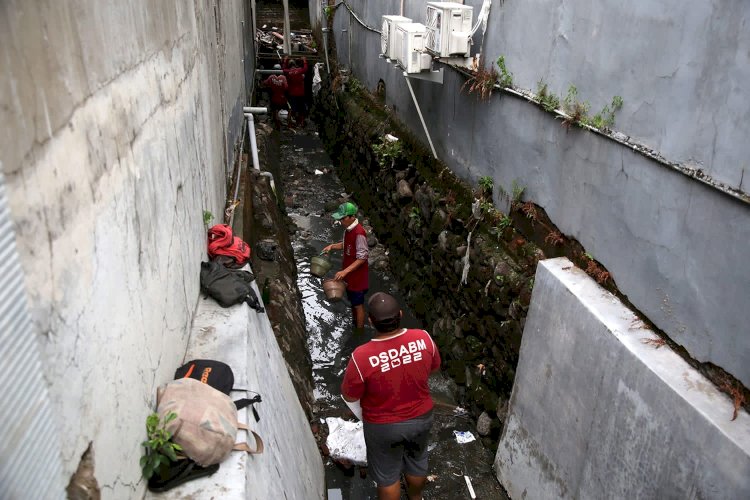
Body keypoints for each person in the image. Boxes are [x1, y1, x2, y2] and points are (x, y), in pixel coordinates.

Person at [341, 292, 441, 500]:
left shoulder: (361, 356)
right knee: (417, 460)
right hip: (422, 418)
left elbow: (350, 396)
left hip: (383, 426)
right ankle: (415, 497)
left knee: (387, 476)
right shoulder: (424, 338)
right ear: (401, 314)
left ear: (371, 321)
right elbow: (434, 368)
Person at [323, 201, 369, 333]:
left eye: (343, 218)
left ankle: (359, 331)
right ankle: (355, 323)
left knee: (358, 305)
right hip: (349, 275)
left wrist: (345, 271)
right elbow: (345, 244)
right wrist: (332, 247)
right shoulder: (348, 230)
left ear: (351, 217)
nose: (341, 221)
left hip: (358, 277)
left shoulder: (359, 233)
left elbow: (362, 257)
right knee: (354, 303)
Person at [282, 56, 308, 128]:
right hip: (300, 93)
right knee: (301, 108)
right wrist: (304, 60)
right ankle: (301, 122)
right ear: (295, 65)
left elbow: (283, 69)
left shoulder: (288, 72)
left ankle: (290, 123)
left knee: (292, 108)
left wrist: (285, 60)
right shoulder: (299, 70)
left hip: (292, 93)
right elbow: (305, 69)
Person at [262, 64, 288, 129]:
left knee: (275, 111)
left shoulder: (271, 77)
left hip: (274, 97)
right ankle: (279, 124)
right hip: (282, 98)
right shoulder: (283, 78)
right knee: (280, 112)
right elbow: (286, 87)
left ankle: (276, 124)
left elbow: (265, 83)